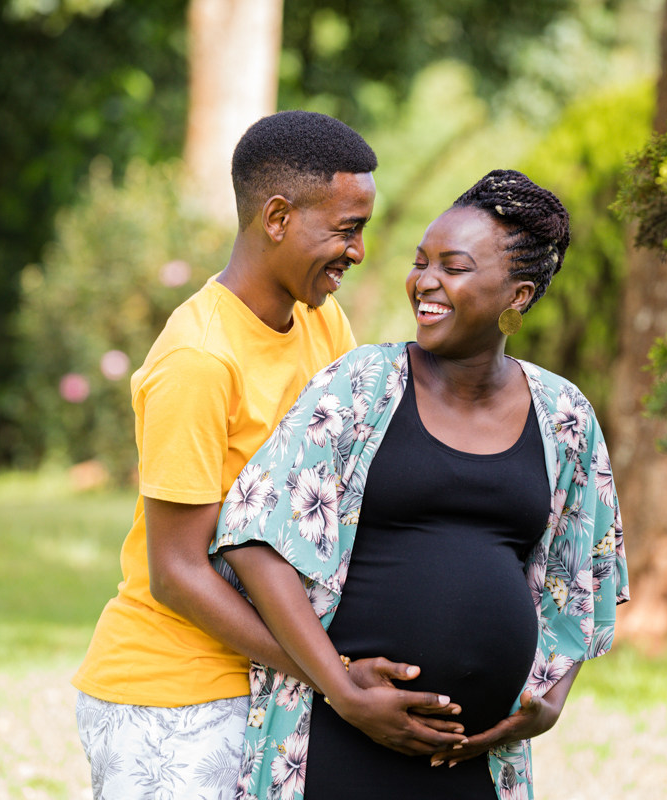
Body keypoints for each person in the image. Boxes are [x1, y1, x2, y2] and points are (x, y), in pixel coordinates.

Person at [72, 111, 465, 800]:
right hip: (174, 700)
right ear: (277, 216)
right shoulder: (199, 360)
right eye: (346, 229)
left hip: (277, 686)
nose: (360, 251)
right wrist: (335, 679)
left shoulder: (322, 320)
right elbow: (176, 571)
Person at [211, 169, 630, 800]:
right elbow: (252, 535)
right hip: (339, 736)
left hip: (475, 759)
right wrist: (342, 688)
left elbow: (583, 577)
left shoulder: (564, 415)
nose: (425, 282)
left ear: (518, 294)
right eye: (421, 261)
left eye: (453, 267)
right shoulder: (359, 385)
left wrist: (549, 701)